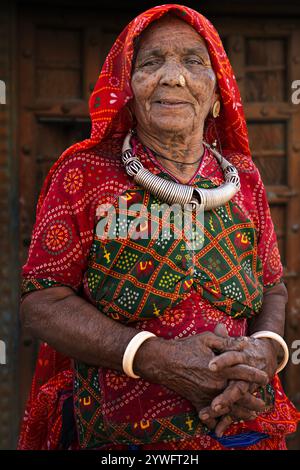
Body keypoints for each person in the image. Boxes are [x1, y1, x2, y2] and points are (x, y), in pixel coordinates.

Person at [18, 4, 299, 450]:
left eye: (193, 61)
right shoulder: (84, 173)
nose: (172, 76)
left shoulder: (244, 179)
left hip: (246, 429)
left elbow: (273, 288)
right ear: (128, 89)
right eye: (151, 62)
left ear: (218, 92)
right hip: (122, 440)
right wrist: (154, 358)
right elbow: (42, 301)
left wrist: (265, 352)